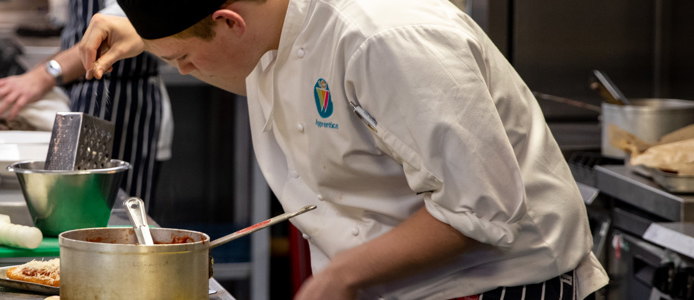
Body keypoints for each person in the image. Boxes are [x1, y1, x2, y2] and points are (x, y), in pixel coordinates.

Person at [76, 0, 609, 299]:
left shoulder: (387, 37)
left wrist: (341, 276)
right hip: (395, 285)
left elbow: (481, 207)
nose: (185, 71)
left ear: (229, 20)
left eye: (184, 58)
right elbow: (234, 57)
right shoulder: (269, 25)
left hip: (496, 287)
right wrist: (150, 32)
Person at [0, 0, 172, 203]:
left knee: (118, 210)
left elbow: (117, 28)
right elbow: (81, 40)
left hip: (126, 102)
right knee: (74, 201)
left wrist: (42, 77)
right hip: (82, 94)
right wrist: (31, 77)